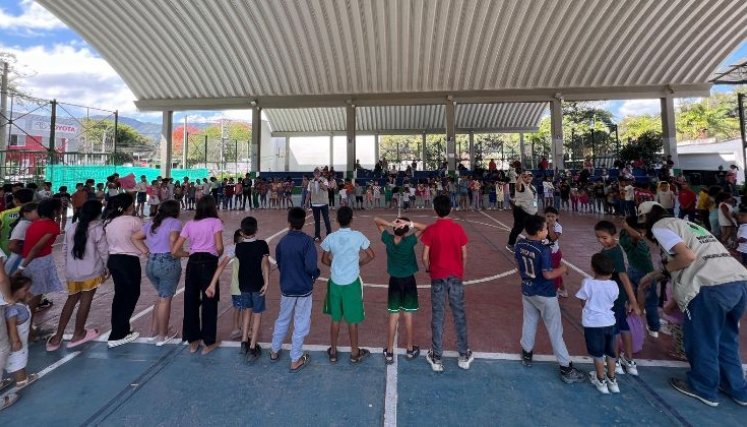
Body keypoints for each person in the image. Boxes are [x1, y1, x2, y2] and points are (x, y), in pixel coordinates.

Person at [637, 201, 747, 407]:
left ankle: (703, 387)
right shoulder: (688, 224)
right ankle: (737, 389)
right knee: (726, 339)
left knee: (701, 339)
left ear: (646, 219)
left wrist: (664, 270)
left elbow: (687, 256)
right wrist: (655, 275)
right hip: (737, 282)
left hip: (708, 287)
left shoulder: (661, 226)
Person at [514, 214, 586, 383]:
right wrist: (563, 269)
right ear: (539, 232)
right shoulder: (543, 249)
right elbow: (547, 274)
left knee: (530, 321)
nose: (548, 231)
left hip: (528, 290)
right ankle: (566, 368)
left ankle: (526, 353)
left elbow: (518, 266)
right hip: (545, 293)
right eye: (546, 228)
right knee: (555, 329)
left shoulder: (520, 244)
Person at [420, 195, 473, 372]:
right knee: (459, 314)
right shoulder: (458, 229)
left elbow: (424, 256)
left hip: (437, 277)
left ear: (434, 209)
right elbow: (464, 254)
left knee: (438, 315)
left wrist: (429, 269)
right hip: (455, 276)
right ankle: (464, 355)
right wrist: (460, 271)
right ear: (451, 208)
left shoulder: (432, 230)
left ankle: (437, 357)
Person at [46, 200, 107, 351]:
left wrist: (69, 268)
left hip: (72, 273)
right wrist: (107, 268)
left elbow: (65, 250)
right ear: (98, 213)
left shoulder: (72, 227)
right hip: (91, 272)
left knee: (71, 301)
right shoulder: (97, 228)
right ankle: (78, 333)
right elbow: (104, 252)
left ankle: (57, 338)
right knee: (86, 301)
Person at [208, 217, 269, 361]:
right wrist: (266, 283)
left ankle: (243, 342)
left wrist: (212, 283)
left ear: (242, 232)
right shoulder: (262, 245)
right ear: (256, 230)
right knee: (257, 314)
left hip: (243, 286)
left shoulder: (237, 247)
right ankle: (253, 346)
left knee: (247, 311)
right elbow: (265, 265)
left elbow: (221, 265)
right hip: (257, 285)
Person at [321, 206, 375, 364]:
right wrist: (358, 264)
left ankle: (332, 351)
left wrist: (334, 265)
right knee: (352, 320)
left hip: (335, 282)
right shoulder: (358, 236)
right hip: (351, 282)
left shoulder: (331, 237)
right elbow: (371, 255)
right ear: (351, 219)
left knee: (335, 319)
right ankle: (354, 352)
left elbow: (324, 260)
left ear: (337, 220)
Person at [172, 195, 224, 355]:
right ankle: (209, 342)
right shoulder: (216, 222)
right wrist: (216, 255)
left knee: (191, 301)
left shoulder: (189, 224)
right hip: (209, 263)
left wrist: (189, 254)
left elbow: (174, 250)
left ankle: (193, 341)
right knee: (210, 301)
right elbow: (219, 247)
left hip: (193, 263)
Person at [270, 207, 319, 373]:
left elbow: (279, 262)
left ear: (289, 222)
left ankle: (275, 351)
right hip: (304, 287)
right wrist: (315, 274)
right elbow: (311, 266)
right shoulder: (307, 241)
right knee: (301, 323)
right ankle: (295, 359)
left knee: (282, 319)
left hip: (287, 287)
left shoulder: (282, 242)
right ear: (304, 222)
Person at [374, 216, 424, 365]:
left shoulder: (388, 240)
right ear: (407, 230)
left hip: (394, 281)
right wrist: (409, 223)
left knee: (393, 316)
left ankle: (389, 351)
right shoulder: (409, 241)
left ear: (395, 229)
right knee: (408, 315)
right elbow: (425, 228)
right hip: (409, 280)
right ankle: (409, 349)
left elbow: (376, 220)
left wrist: (390, 224)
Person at [594, 220, 641, 376]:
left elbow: (623, 276)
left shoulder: (611, 253)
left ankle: (614, 361)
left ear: (613, 235)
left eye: (604, 237)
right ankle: (629, 360)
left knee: (612, 330)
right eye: (598, 237)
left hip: (612, 297)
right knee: (623, 327)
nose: (601, 240)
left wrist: (633, 301)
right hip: (619, 296)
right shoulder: (617, 248)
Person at [102, 194, 147, 348]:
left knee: (120, 295)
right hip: (128, 260)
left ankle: (121, 328)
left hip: (114, 260)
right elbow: (144, 235)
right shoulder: (133, 221)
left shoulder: (109, 221)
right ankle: (117, 335)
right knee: (131, 295)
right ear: (128, 206)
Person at [18, 198, 64, 333]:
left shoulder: (34, 223)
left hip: (31, 260)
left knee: (30, 295)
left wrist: (23, 264)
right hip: (40, 261)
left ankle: (26, 326)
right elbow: (36, 248)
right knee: (35, 297)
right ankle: (27, 329)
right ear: (55, 210)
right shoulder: (52, 226)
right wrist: (21, 267)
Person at [576, 253, 620, 394]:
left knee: (598, 354)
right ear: (612, 270)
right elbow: (613, 299)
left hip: (593, 324)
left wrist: (588, 309)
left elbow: (582, 299)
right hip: (609, 322)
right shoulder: (614, 285)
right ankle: (612, 379)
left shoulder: (588, 283)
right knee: (610, 352)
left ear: (593, 268)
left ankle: (600, 380)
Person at [141, 200, 182, 346]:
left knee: (160, 296)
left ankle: (154, 330)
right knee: (165, 299)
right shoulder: (174, 223)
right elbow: (173, 242)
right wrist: (182, 253)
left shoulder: (152, 223)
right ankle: (162, 335)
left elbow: (135, 237)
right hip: (167, 263)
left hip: (151, 263)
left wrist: (146, 251)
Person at [618, 216, 659, 337]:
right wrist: (626, 225)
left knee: (632, 300)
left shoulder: (624, 236)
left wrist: (626, 226)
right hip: (645, 273)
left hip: (632, 270)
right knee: (651, 302)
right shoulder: (633, 238)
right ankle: (654, 328)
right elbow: (637, 236)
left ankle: (630, 325)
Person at [4, 276, 37, 390]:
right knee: (18, 361)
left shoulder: (18, 304)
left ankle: (22, 378)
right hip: (18, 340)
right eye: (25, 290)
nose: (28, 292)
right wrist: (15, 340)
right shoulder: (12, 309)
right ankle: (21, 381)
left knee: (20, 359)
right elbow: (12, 326)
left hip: (22, 338)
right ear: (16, 291)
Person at [506, 171, 538, 252]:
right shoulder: (521, 186)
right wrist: (520, 176)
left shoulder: (533, 188)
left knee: (533, 228)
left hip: (530, 210)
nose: (528, 177)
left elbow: (534, 199)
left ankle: (532, 244)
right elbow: (517, 185)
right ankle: (510, 244)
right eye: (525, 176)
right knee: (518, 228)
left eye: (530, 176)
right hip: (520, 211)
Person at [308, 168, 332, 242]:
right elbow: (309, 193)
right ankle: (317, 236)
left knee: (326, 220)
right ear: (313, 173)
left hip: (323, 203)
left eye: (318, 173)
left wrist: (319, 181)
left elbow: (325, 188)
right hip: (315, 204)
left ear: (319, 173)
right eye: (315, 173)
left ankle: (329, 235)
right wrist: (305, 203)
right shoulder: (310, 182)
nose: (316, 174)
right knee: (316, 221)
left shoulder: (324, 180)